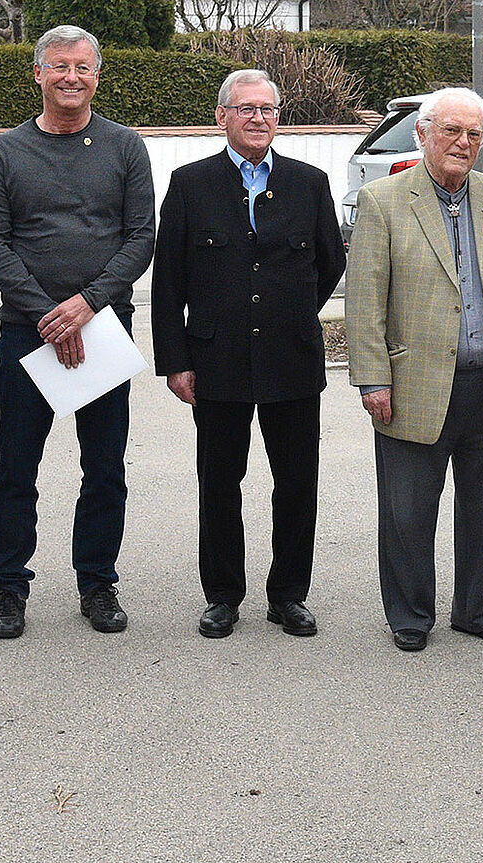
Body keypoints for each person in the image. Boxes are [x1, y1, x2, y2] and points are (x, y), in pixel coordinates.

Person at [152, 69, 346, 639]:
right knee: (219, 480)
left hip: (292, 358)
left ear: (278, 118)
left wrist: (290, 309)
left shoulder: (309, 183)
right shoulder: (191, 184)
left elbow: (330, 262)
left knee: (296, 482)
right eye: (245, 109)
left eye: (267, 109)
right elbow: (170, 281)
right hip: (217, 360)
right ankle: (223, 595)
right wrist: (176, 359)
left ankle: (289, 595)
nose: (258, 118)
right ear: (222, 117)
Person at [0, 25, 155, 638]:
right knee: (15, 464)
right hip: (26, 333)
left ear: (97, 75)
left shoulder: (126, 147)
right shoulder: (3, 153)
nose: (70, 77)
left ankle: (97, 582)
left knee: (104, 466)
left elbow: (140, 239)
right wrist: (48, 315)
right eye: (59, 67)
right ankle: (9, 585)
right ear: (38, 74)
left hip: (105, 328)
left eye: (82, 67)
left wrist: (84, 307)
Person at [346, 87, 483, 652]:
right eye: (451, 131)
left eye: (473, 134)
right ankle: (409, 614)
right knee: (407, 512)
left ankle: (479, 609)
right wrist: (373, 377)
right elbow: (364, 299)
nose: (462, 143)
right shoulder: (383, 200)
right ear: (422, 134)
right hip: (412, 384)